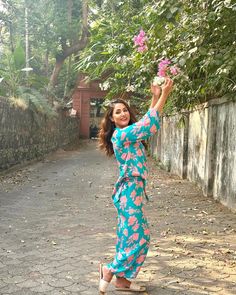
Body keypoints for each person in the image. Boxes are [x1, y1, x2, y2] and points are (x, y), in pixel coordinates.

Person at [98, 77, 173, 293]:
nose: (123, 113)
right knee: (140, 236)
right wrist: (165, 95)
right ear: (112, 119)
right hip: (128, 192)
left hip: (134, 192)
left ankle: (123, 281)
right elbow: (148, 125)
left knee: (127, 237)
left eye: (125, 110)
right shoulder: (121, 135)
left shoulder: (130, 134)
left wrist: (155, 97)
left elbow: (142, 125)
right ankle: (110, 270)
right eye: (117, 112)